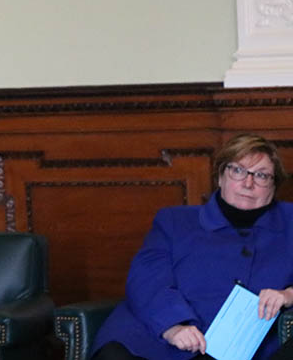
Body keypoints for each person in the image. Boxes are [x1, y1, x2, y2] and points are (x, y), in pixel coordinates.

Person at [91, 134, 293, 360]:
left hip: (239, 346)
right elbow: (146, 279)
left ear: (274, 186)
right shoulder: (174, 221)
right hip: (154, 336)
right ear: (220, 177)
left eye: (262, 175)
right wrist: (172, 326)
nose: (248, 183)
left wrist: (288, 294)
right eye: (238, 171)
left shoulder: (290, 222)